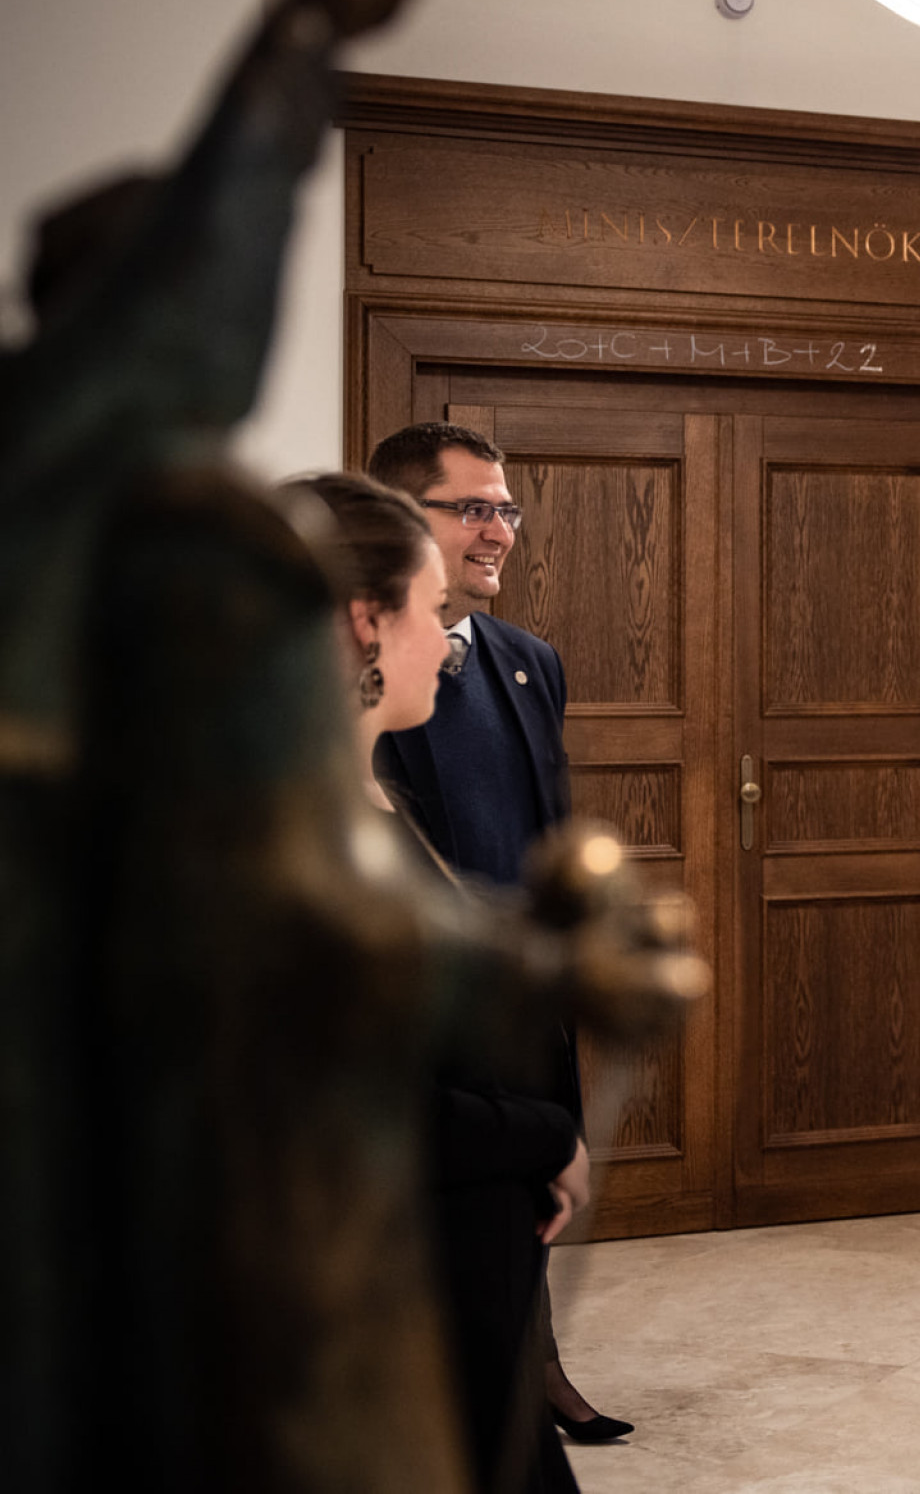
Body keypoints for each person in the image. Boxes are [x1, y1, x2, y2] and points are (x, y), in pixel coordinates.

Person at [287, 470, 588, 1494]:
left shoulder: (363, 791)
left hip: (467, 1229)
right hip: (401, 1267)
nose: (441, 641)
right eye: (423, 610)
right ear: (364, 623)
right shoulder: (304, 839)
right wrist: (542, 1134)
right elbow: (367, 1097)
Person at [366, 422, 631, 1445]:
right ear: (402, 517)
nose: (499, 530)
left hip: (524, 984)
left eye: (507, 508)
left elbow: (545, 826)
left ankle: (540, 1364)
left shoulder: (530, 663)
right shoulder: (376, 673)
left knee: (529, 1197)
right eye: (473, 507)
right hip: (434, 991)